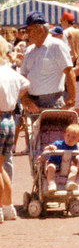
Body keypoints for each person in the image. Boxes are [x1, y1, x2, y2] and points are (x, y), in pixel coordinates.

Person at [20, 12, 76, 113]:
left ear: (40, 30)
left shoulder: (56, 46)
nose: (27, 34)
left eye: (29, 30)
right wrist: (26, 99)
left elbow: (69, 73)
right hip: (33, 105)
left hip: (53, 103)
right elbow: (23, 76)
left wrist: (71, 102)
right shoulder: (29, 50)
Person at [0, 46, 29, 221]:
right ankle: (8, 206)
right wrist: (13, 97)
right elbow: (26, 84)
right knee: (2, 166)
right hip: (9, 119)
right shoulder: (10, 71)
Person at [43, 122, 79, 193]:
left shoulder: (76, 148)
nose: (70, 139)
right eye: (68, 136)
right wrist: (50, 147)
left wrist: (78, 158)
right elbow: (45, 150)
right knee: (50, 167)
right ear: (64, 135)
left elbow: (76, 158)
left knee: (74, 169)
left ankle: (70, 183)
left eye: (73, 137)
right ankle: (51, 183)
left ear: (78, 140)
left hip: (67, 166)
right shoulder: (58, 144)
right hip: (55, 163)